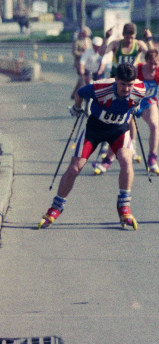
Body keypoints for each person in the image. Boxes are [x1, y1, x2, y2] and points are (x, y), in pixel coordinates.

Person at [38, 62, 147, 230]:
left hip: (118, 130)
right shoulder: (101, 87)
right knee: (75, 168)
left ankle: (124, 205)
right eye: (122, 84)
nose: (126, 89)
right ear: (116, 80)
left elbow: (138, 102)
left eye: (129, 85)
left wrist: (136, 109)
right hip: (95, 128)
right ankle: (55, 207)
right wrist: (77, 108)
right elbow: (80, 93)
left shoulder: (139, 89)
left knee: (127, 160)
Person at [134, 48, 159, 175]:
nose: (153, 66)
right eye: (150, 63)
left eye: (156, 63)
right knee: (127, 128)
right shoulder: (137, 69)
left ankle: (152, 159)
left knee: (154, 125)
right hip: (133, 100)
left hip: (148, 101)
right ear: (145, 61)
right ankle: (110, 156)